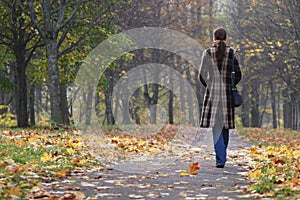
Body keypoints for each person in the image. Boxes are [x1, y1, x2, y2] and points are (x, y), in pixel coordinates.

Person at [198, 28, 242, 168]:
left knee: (216, 127)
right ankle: (222, 155)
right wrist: (231, 84)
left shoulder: (207, 53)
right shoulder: (232, 53)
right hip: (228, 94)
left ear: (214, 37)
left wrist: (210, 85)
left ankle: (220, 159)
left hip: (213, 94)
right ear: (226, 38)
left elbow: (201, 76)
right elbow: (239, 74)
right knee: (225, 127)